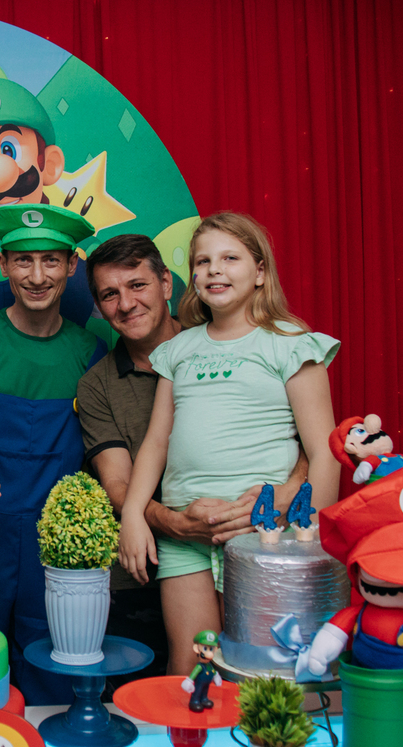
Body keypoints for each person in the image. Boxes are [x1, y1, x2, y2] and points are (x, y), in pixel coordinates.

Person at [76, 235, 307, 681]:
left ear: (166, 283)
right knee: (184, 679)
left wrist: (285, 493)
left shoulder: (236, 344)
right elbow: (118, 482)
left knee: (260, 668)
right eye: (109, 294)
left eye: (138, 285)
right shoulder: (97, 386)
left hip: (258, 534)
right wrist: (176, 523)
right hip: (148, 565)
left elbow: (310, 442)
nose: (126, 304)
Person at [119, 212, 340, 675]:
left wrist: (309, 540)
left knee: (259, 667)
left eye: (229, 258)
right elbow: (156, 443)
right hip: (186, 536)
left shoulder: (290, 343)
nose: (214, 270)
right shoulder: (178, 350)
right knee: (190, 664)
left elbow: (325, 451)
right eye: (203, 261)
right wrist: (134, 516)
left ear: (259, 271)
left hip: (266, 535)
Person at [0, 203, 106, 706]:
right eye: (23, 261)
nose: (37, 276)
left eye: (51, 260)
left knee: (53, 670)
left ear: (72, 266)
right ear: (4, 264)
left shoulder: (91, 352)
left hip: (55, 550)